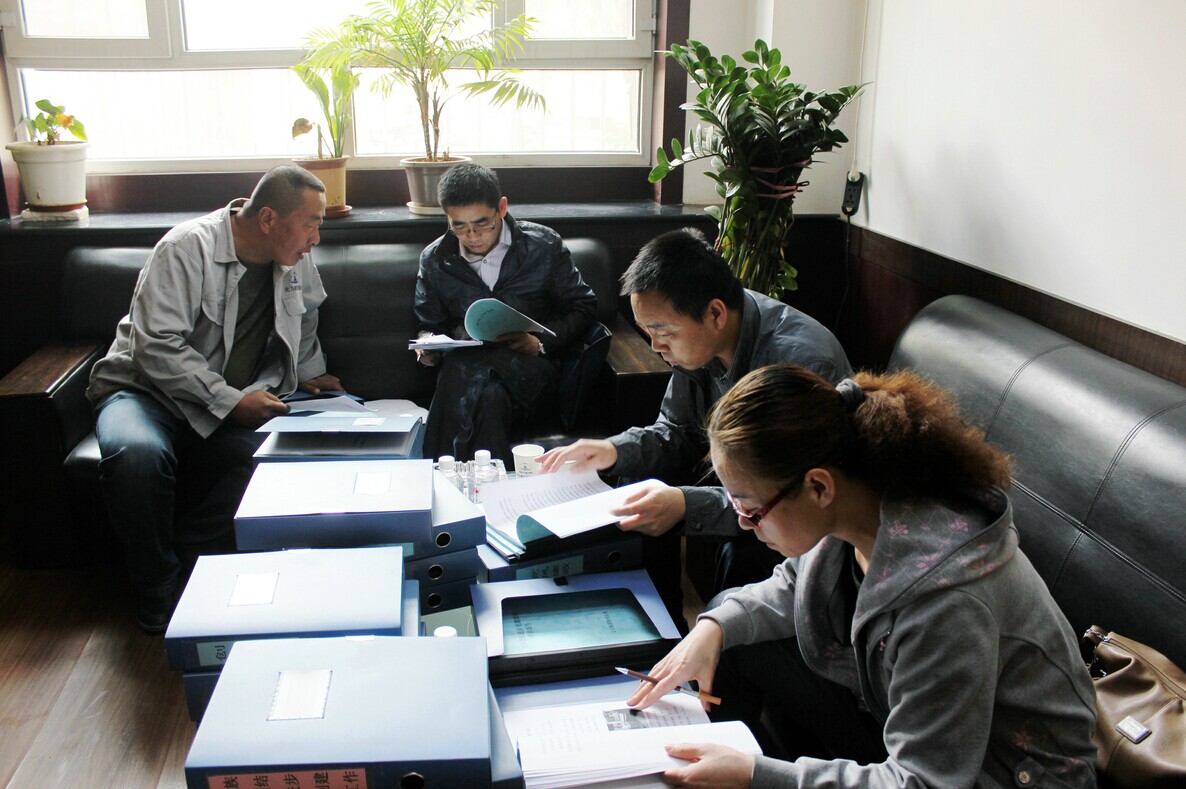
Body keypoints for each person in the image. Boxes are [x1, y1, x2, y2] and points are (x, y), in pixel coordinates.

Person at [626, 365, 1099, 788]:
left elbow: (923, 781)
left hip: (999, 773)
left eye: (750, 509)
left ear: (818, 486)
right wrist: (713, 628)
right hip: (910, 727)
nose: (744, 524)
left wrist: (757, 775)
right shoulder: (865, 499)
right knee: (730, 634)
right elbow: (793, 585)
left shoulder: (947, 601)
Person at [537, 228, 851, 618]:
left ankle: (715, 637)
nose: (656, 347)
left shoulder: (797, 362)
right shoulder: (702, 341)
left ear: (715, 313)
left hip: (795, 515)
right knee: (633, 481)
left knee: (741, 554)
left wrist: (686, 505)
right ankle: (660, 627)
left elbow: (790, 498)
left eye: (663, 332)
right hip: (742, 486)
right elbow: (676, 431)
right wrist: (611, 450)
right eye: (648, 332)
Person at [87, 165, 342, 633]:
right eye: (311, 223)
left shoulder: (295, 256)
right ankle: (156, 587)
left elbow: (306, 315)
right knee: (138, 457)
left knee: (282, 461)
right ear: (268, 219)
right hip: (143, 392)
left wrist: (311, 373)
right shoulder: (186, 248)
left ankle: (189, 563)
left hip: (219, 405)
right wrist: (231, 402)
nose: (316, 238)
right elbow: (155, 346)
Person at [414, 163, 597, 464]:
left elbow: (584, 306)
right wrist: (428, 348)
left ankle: (438, 471)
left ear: (501, 208)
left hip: (532, 368)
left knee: (466, 371)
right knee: (488, 394)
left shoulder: (542, 245)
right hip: (473, 377)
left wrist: (540, 343)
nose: (472, 236)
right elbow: (428, 325)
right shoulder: (436, 259)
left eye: (482, 224)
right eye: (459, 226)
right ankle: (490, 484)